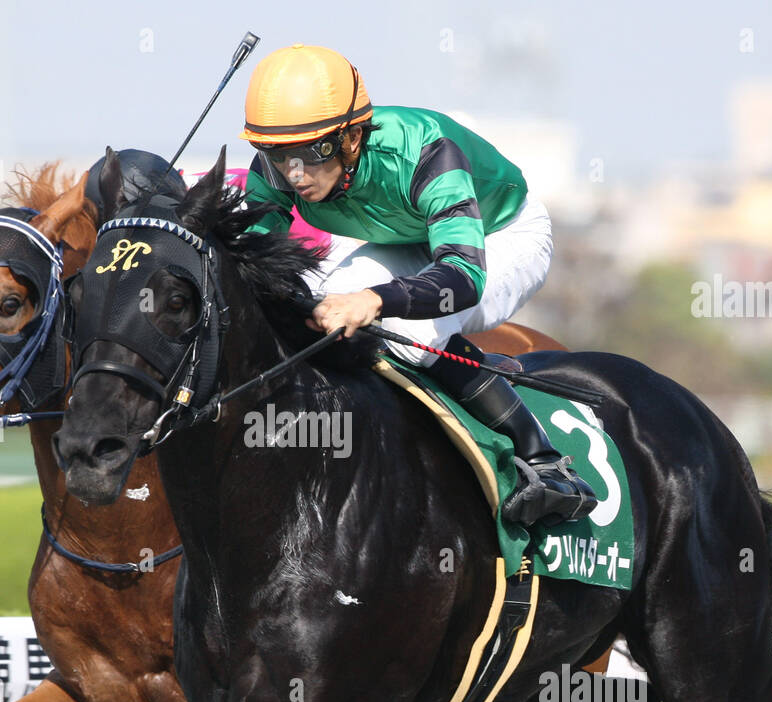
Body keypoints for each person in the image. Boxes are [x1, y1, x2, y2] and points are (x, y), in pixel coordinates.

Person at [240, 43, 596, 528]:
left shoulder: (425, 149)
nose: (294, 174)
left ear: (350, 137)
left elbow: (461, 279)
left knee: (409, 339)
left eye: (310, 153)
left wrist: (374, 300)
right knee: (320, 313)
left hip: (499, 238)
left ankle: (545, 461)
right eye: (277, 155)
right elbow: (256, 262)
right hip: (410, 238)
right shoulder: (280, 169)